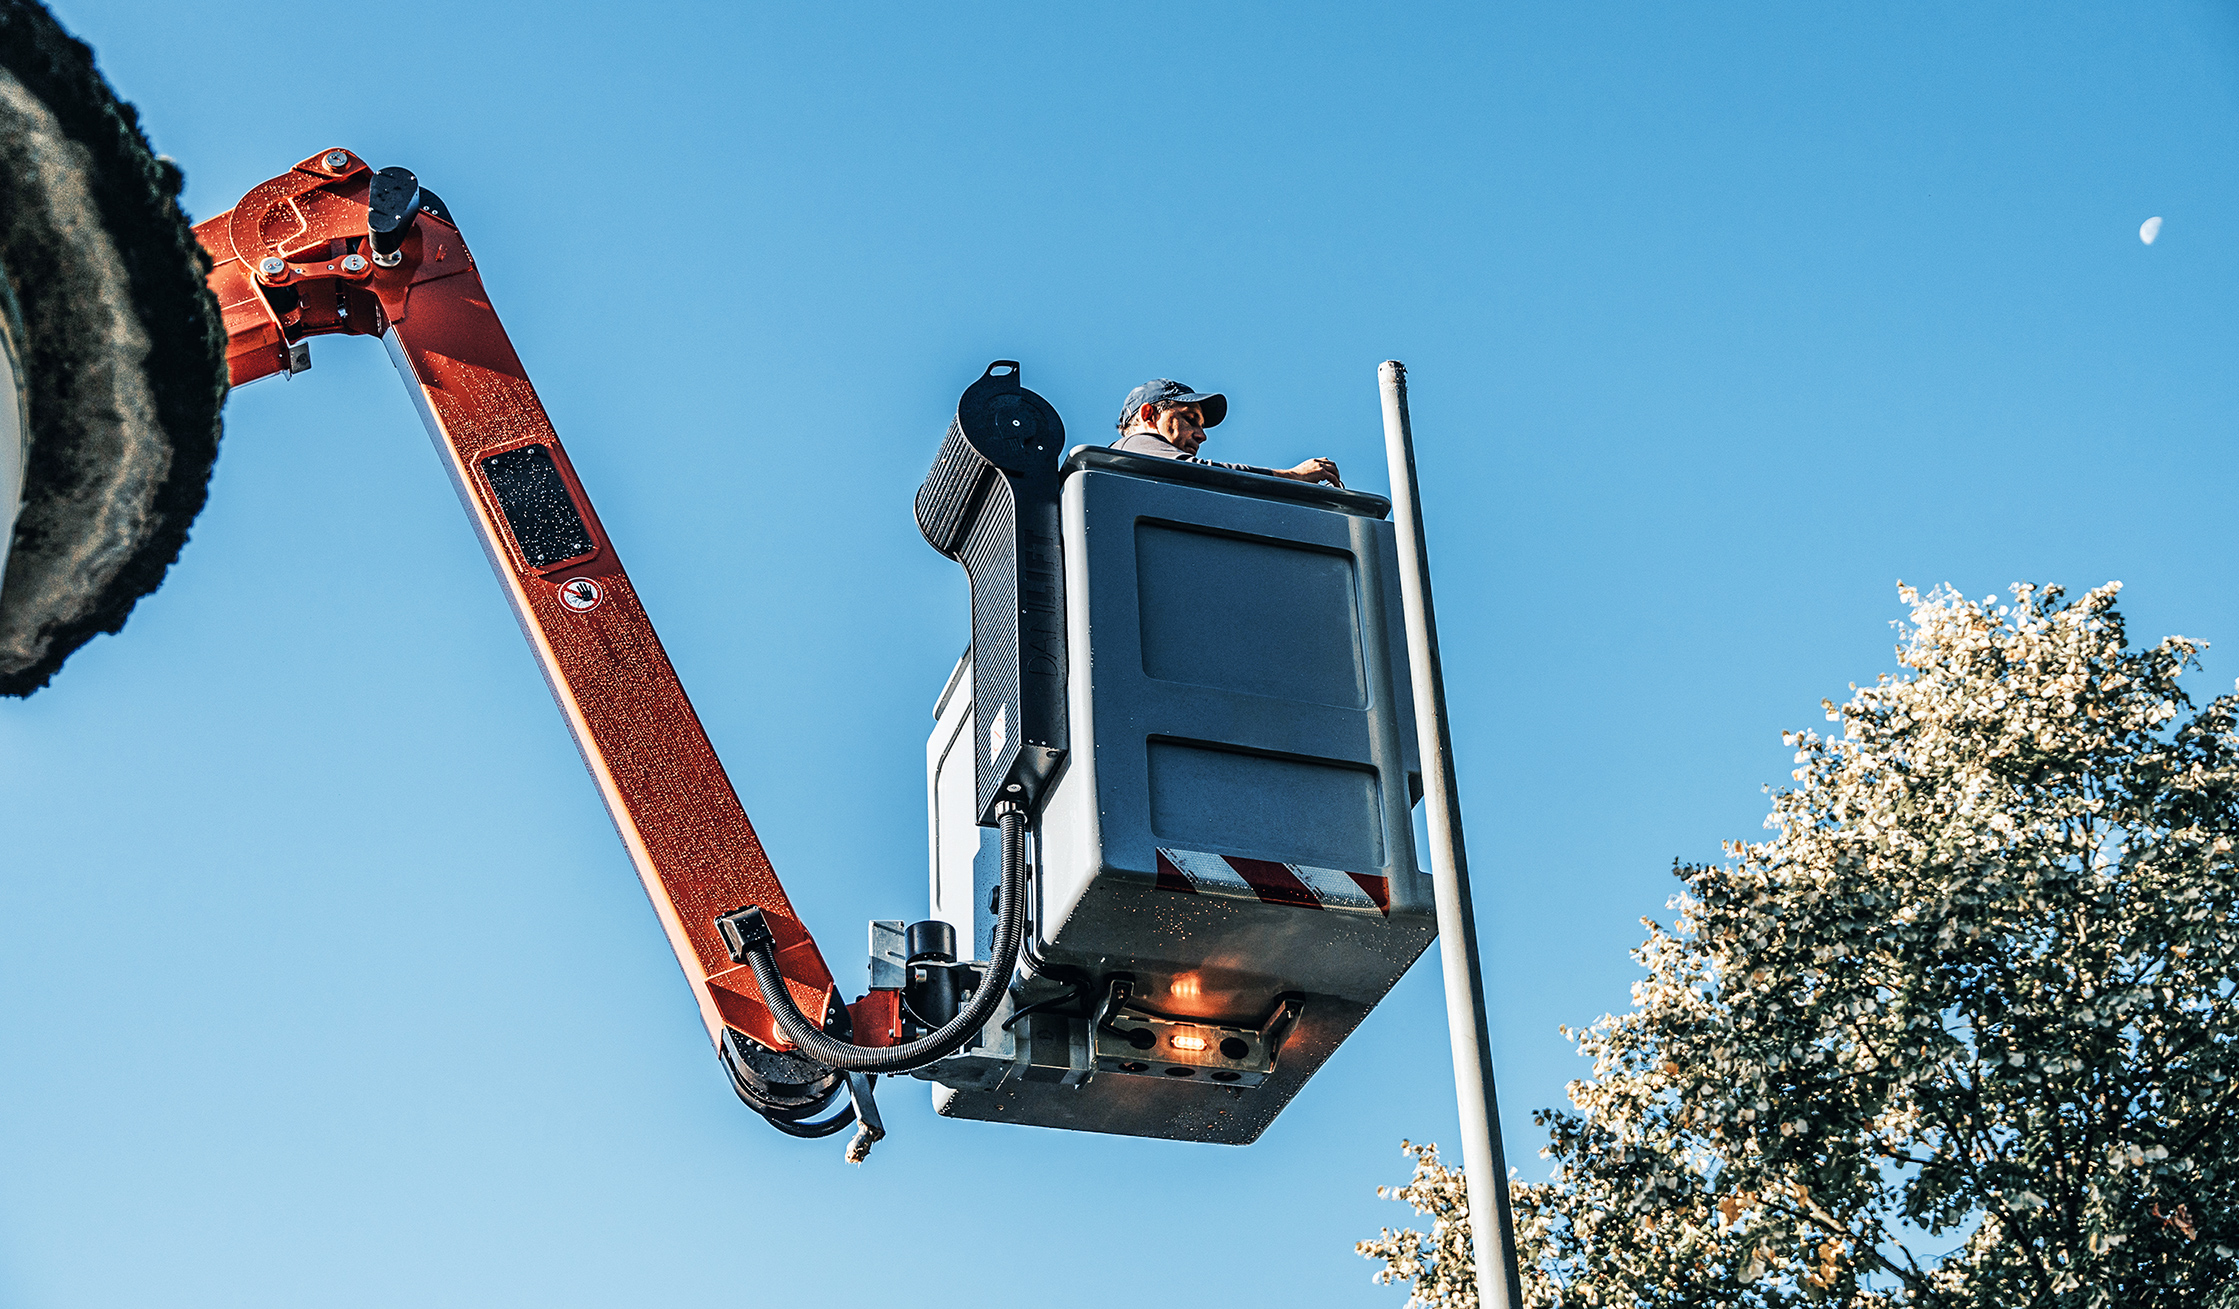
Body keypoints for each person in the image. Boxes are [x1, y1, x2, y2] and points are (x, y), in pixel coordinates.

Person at [1110, 379, 1343, 485]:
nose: (1201, 435)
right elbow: (1206, 472)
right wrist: (1294, 476)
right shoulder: (1131, 448)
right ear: (1149, 415)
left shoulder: (1157, 475)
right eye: (1190, 419)